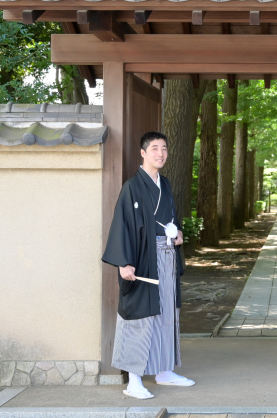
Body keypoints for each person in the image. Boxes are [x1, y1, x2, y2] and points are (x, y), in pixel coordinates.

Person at [101, 131, 194, 399]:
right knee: (140, 317)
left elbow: (172, 220)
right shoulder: (132, 186)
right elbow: (123, 224)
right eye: (154, 148)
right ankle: (133, 380)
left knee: (166, 314)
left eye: (164, 148)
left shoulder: (165, 184)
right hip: (142, 260)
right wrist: (124, 262)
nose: (160, 153)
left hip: (166, 257)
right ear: (143, 153)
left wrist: (178, 236)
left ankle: (164, 371)